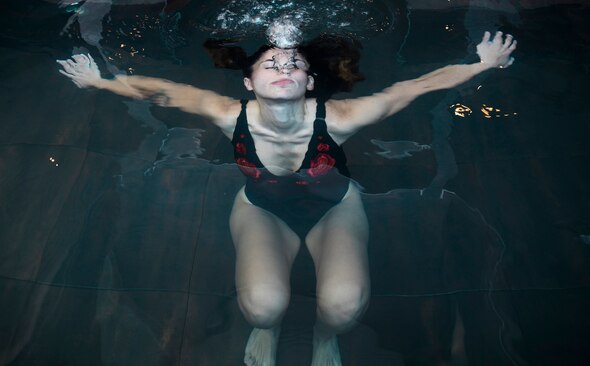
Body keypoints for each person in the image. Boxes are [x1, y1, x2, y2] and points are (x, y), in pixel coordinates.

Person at [58, 24, 516, 366]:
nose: (283, 68)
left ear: (310, 82)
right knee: (262, 307)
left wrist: (482, 64)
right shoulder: (226, 113)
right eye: (270, 65)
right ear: (248, 83)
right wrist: (97, 81)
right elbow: (162, 91)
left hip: (336, 208)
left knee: (343, 307)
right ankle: (267, 330)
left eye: (294, 63)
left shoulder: (340, 117)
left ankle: (323, 337)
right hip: (261, 209)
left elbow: (412, 89)